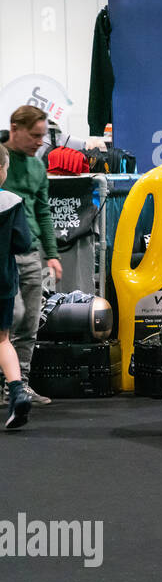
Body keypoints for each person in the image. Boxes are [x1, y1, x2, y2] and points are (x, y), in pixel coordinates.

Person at [1, 106, 62, 406]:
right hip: (4, 253)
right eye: (35, 135)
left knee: (29, 322)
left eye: (43, 136)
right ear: (15, 128)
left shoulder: (38, 168)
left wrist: (52, 254)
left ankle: (19, 385)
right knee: (13, 316)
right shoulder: (1, 160)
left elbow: (43, 211)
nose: (40, 142)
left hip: (31, 252)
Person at [0, 143, 34, 428]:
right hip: (3, 283)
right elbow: (24, 243)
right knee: (2, 340)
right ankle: (17, 392)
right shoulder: (12, 202)